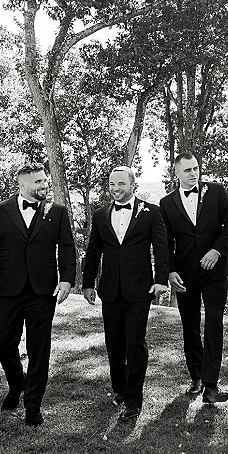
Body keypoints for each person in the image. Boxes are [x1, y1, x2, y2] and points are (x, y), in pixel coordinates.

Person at [0, 163, 76, 427]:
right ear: (22, 186)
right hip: (8, 289)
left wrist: (66, 279)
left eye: (45, 181)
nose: (44, 186)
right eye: (38, 182)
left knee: (39, 348)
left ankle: (33, 405)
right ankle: (18, 382)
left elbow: (67, 247)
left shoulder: (58, 213)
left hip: (43, 290)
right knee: (3, 342)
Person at [82, 166, 169, 422]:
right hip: (110, 289)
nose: (116, 189)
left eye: (121, 184)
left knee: (135, 343)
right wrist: (88, 283)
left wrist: (161, 280)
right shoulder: (100, 215)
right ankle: (119, 389)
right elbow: (93, 251)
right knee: (114, 344)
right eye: (111, 184)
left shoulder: (151, 212)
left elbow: (161, 248)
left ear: (133, 185)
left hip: (140, 289)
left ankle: (133, 400)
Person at [159, 152, 228, 404]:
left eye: (196, 168)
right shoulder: (166, 203)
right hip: (184, 275)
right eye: (188, 170)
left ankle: (211, 385)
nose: (193, 173)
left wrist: (216, 250)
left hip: (215, 273)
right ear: (176, 173)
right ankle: (197, 376)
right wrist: (169, 271)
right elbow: (165, 242)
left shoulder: (217, 192)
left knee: (214, 324)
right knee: (189, 325)